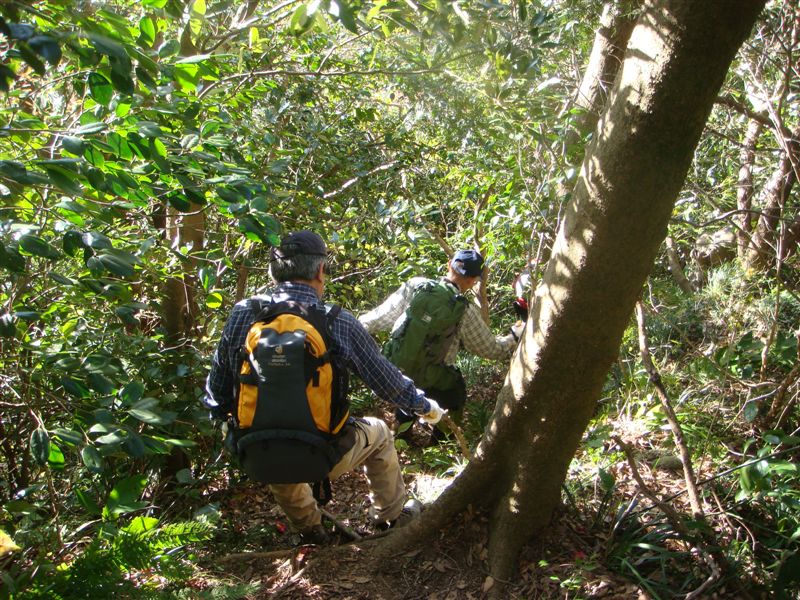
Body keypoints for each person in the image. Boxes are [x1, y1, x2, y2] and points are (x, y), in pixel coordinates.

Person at [203, 230, 444, 543]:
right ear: (320, 270)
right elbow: (387, 383)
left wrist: (230, 429)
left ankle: (311, 529)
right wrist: (425, 407)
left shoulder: (244, 313)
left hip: (257, 453)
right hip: (323, 453)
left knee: (269, 430)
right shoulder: (336, 320)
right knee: (381, 432)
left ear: (274, 272)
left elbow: (217, 390)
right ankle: (391, 517)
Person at [358, 249, 523, 443]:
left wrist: (354, 327)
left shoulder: (416, 285)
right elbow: (491, 349)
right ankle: (441, 442)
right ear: (473, 281)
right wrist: (514, 336)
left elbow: (382, 316)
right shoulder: (464, 310)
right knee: (455, 391)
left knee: (411, 384)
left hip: (394, 369)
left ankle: (402, 437)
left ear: (449, 264)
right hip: (430, 378)